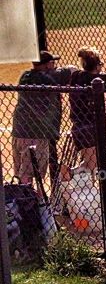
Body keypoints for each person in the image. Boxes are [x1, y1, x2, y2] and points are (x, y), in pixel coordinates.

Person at [11, 51, 73, 188]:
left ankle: (26, 200)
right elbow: (71, 70)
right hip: (36, 134)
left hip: (18, 130)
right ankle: (31, 203)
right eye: (53, 62)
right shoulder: (49, 77)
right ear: (48, 64)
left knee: (22, 171)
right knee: (32, 173)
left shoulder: (25, 76)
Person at [68, 48, 106, 171]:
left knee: (91, 164)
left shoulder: (76, 76)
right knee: (90, 165)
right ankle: (67, 174)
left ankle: (88, 187)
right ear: (97, 66)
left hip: (77, 126)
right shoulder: (95, 79)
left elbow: (70, 68)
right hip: (89, 127)